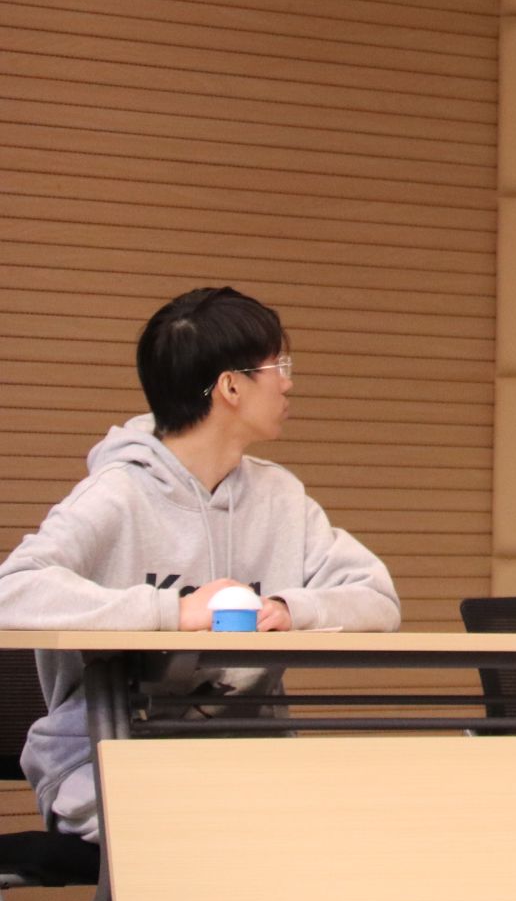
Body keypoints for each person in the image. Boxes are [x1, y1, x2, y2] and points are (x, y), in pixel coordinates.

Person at [0, 286, 402, 842]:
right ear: (231, 387)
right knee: (200, 838)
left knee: (355, 832)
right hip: (104, 762)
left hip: (244, 762)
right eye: (278, 367)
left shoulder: (280, 497)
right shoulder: (117, 494)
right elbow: (13, 590)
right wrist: (173, 611)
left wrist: (290, 609)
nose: (288, 383)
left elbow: (377, 598)